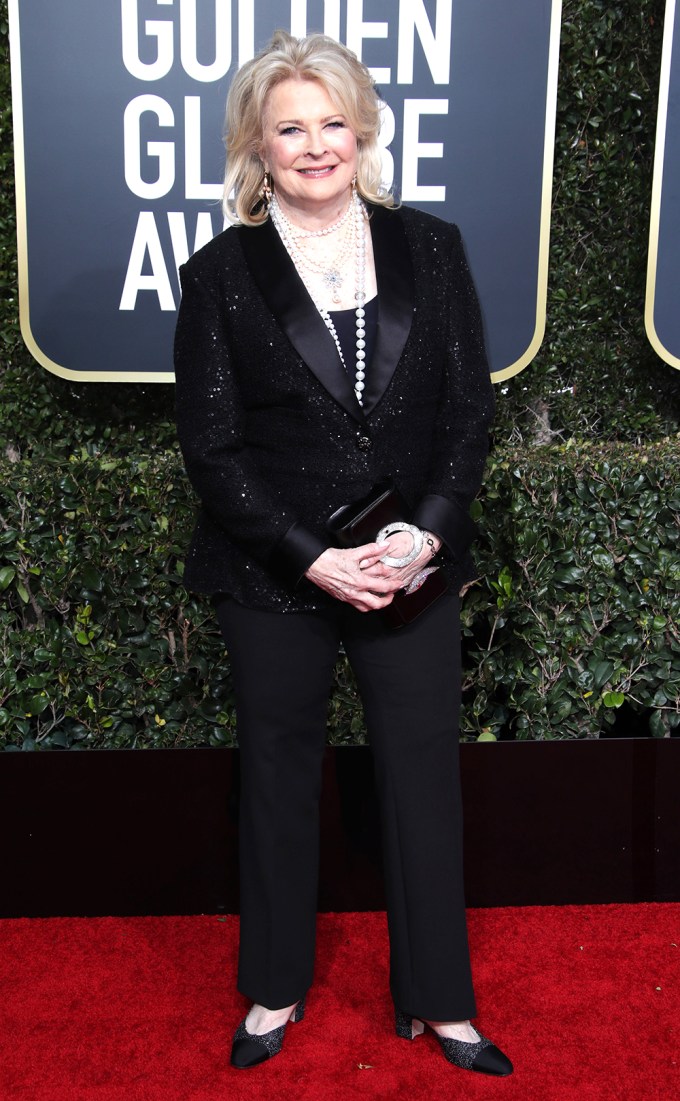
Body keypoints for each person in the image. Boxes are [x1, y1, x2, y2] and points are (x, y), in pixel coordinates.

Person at [174, 30, 512, 1077]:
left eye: (330, 122)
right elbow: (213, 447)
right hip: (273, 575)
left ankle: (441, 1001)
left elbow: (467, 413)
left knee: (421, 777)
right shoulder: (222, 273)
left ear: (360, 131)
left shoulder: (433, 248)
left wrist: (428, 532)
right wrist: (310, 556)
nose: (313, 145)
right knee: (278, 775)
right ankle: (273, 988)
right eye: (288, 128)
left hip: (410, 566)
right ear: (256, 146)